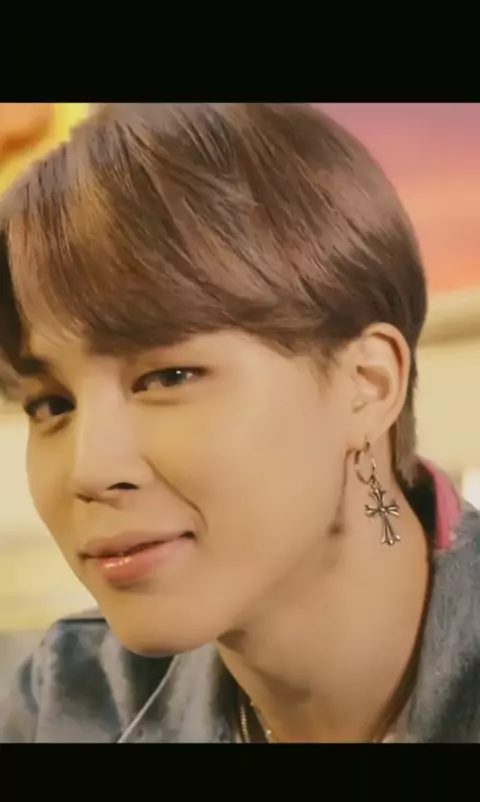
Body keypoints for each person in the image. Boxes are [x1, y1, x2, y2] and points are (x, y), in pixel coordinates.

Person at [0, 103, 478, 744]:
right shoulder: (67, 703)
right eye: (52, 406)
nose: (90, 471)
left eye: (168, 377)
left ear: (367, 385)